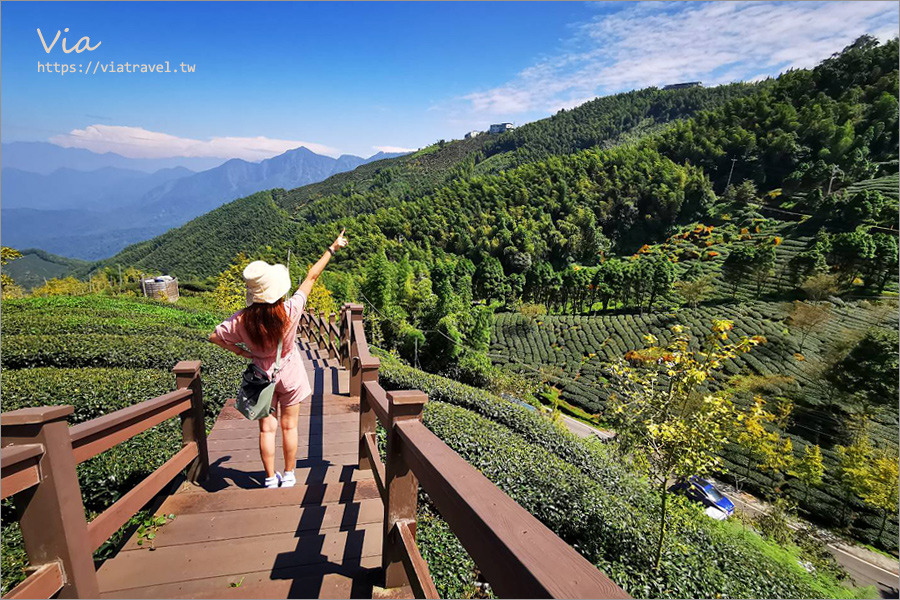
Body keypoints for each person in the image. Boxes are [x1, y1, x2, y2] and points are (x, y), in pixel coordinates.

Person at [208, 229, 348, 488]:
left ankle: (270, 478)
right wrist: (332, 248)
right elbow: (312, 277)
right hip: (290, 370)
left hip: (261, 374)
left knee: (266, 430)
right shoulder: (291, 309)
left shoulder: (241, 320)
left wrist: (243, 352)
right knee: (289, 427)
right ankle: (290, 474)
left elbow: (215, 336)